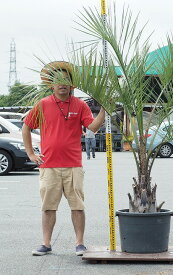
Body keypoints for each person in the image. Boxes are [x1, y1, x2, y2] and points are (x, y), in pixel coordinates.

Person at [22, 61, 105, 256]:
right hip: (48, 165)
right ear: (51, 84)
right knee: (48, 207)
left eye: (66, 79)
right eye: (58, 80)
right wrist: (31, 154)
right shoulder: (42, 104)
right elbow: (26, 126)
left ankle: (79, 243)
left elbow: (92, 128)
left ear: (72, 84)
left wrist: (103, 111)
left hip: (73, 165)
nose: (62, 83)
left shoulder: (80, 105)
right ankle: (46, 243)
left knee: (77, 206)